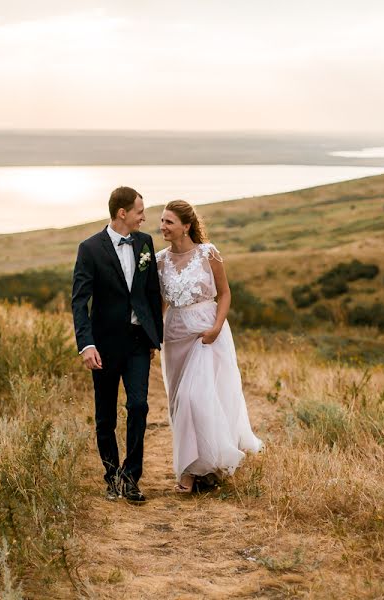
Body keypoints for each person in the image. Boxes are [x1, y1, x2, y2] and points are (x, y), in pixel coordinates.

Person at [156, 200, 262, 494]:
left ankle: (192, 472)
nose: (162, 227)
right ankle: (205, 461)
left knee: (198, 397)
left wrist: (216, 327)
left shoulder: (208, 253)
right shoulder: (159, 260)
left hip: (207, 331)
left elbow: (225, 293)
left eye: (168, 222)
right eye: (162, 221)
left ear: (186, 226)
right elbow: (162, 303)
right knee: (180, 402)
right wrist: (153, 334)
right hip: (175, 334)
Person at [72, 186, 164, 503]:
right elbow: (79, 302)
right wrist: (86, 345)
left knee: (138, 406)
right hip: (104, 346)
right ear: (122, 213)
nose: (144, 216)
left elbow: (152, 293)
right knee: (106, 417)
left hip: (139, 343)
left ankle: (131, 477)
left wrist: (156, 337)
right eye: (140, 210)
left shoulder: (145, 243)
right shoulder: (90, 249)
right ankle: (111, 476)